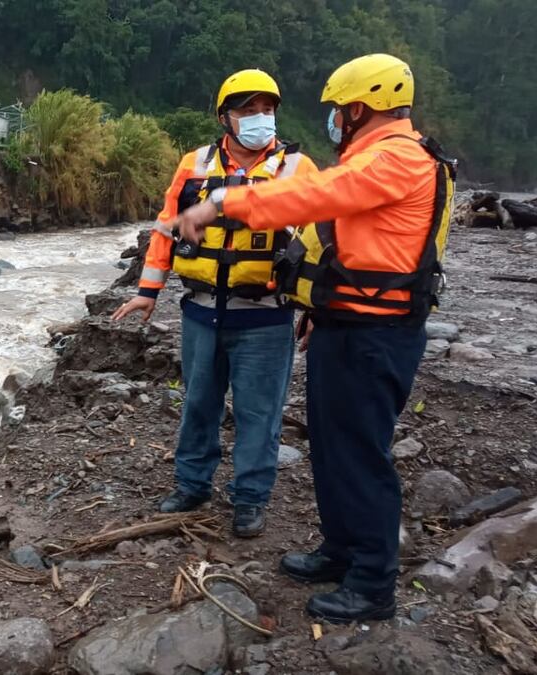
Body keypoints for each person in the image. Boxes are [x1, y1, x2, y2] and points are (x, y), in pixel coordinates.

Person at [167, 53, 456, 623]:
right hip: (346, 322)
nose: (332, 120)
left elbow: (310, 200)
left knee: (360, 454)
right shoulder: (379, 156)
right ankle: (341, 550)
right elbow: (343, 239)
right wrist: (316, 305)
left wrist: (223, 201)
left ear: (356, 107)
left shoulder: (396, 159)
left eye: (337, 110)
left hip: (377, 332)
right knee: (331, 444)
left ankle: (373, 582)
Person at [112, 69, 318, 538]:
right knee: (198, 404)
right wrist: (149, 290)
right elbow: (167, 226)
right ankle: (191, 485)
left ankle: (249, 499)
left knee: (258, 413)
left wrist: (316, 306)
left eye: (267, 110)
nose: (259, 118)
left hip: (266, 316)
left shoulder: (296, 168)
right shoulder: (195, 163)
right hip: (201, 311)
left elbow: (321, 238)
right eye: (248, 110)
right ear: (225, 117)